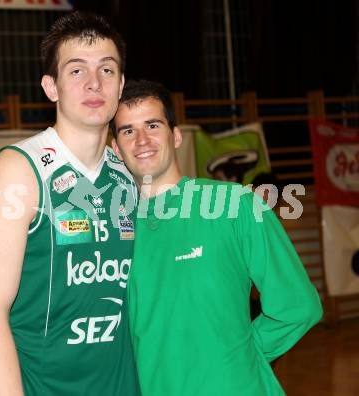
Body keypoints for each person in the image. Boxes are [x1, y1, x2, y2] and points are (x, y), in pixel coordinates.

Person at [111, 80, 323, 396]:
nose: (141, 140)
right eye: (128, 130)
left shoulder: (236, 204)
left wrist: (244, 354)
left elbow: (298, 305)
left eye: (152, 125)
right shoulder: (113, 230)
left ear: (176, 135)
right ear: (115, 149)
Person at [0, 11, 139, 396]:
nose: (94, 83)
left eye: (107, 70)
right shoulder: (17, 170)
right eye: (77, 71)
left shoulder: (129, 173)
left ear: (121, 84)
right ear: (51, 86)